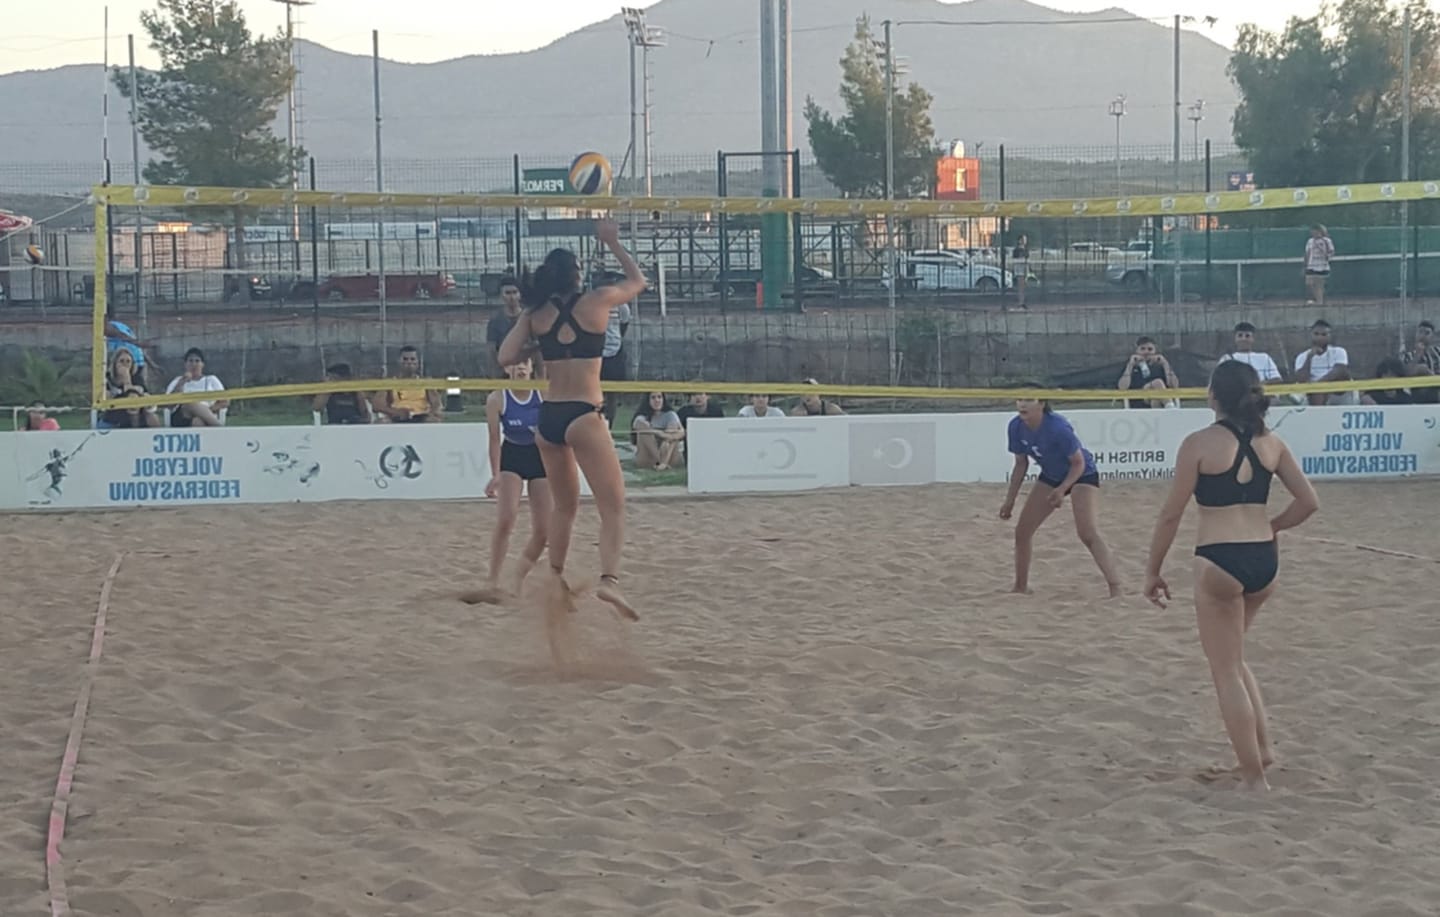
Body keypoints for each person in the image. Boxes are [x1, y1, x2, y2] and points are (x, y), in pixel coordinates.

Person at [1143, 360, 1319, 792]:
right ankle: (1263, 751)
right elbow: (1308, 502)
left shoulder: (1199, 444)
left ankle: (1254, 776)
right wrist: (1273, 526)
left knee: (1224, 671)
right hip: (1263, 559)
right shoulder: (1271, 442)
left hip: (1219, 558)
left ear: (1214, 396)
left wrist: (1152, 570)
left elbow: (1170, 515)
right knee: (1236, 661)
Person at [498, 219, 644, 621]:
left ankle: (556, 577)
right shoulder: (597, 301)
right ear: (577, 275)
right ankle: (609, 580)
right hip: (583, 413)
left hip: (549, 418)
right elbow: (638, 281)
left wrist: (537, 347)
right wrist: (613, 243)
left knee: (565, 508)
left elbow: (505, 357)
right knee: (613, 507)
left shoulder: (536, 314)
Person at [999, 400, 1122, 597]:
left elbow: (1078, 463)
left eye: (1028, 399)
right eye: (1020, 399)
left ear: (1041, 403)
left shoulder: (1057, 427)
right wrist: (1009, 500)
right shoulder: (1015, 426)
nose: (1022, 404)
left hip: (1082, 474)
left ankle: (1116, 587)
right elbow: (1021, 464)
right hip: (1052, 475)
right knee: (1022, 532)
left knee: (1087, 533)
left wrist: (1062, 489)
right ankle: (1021, 587)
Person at [481, 358, 551, 596]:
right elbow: (494, 440)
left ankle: (518, 575)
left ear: (531, 368)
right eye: (515, 364)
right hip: (513, 455)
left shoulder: (543, 392)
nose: (520, 367)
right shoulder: (497, 398)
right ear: (506, 368)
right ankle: (493, 578)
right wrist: (496, 474)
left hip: (540, 456)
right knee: (506, 518)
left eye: (525, 363)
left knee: (544, 530)